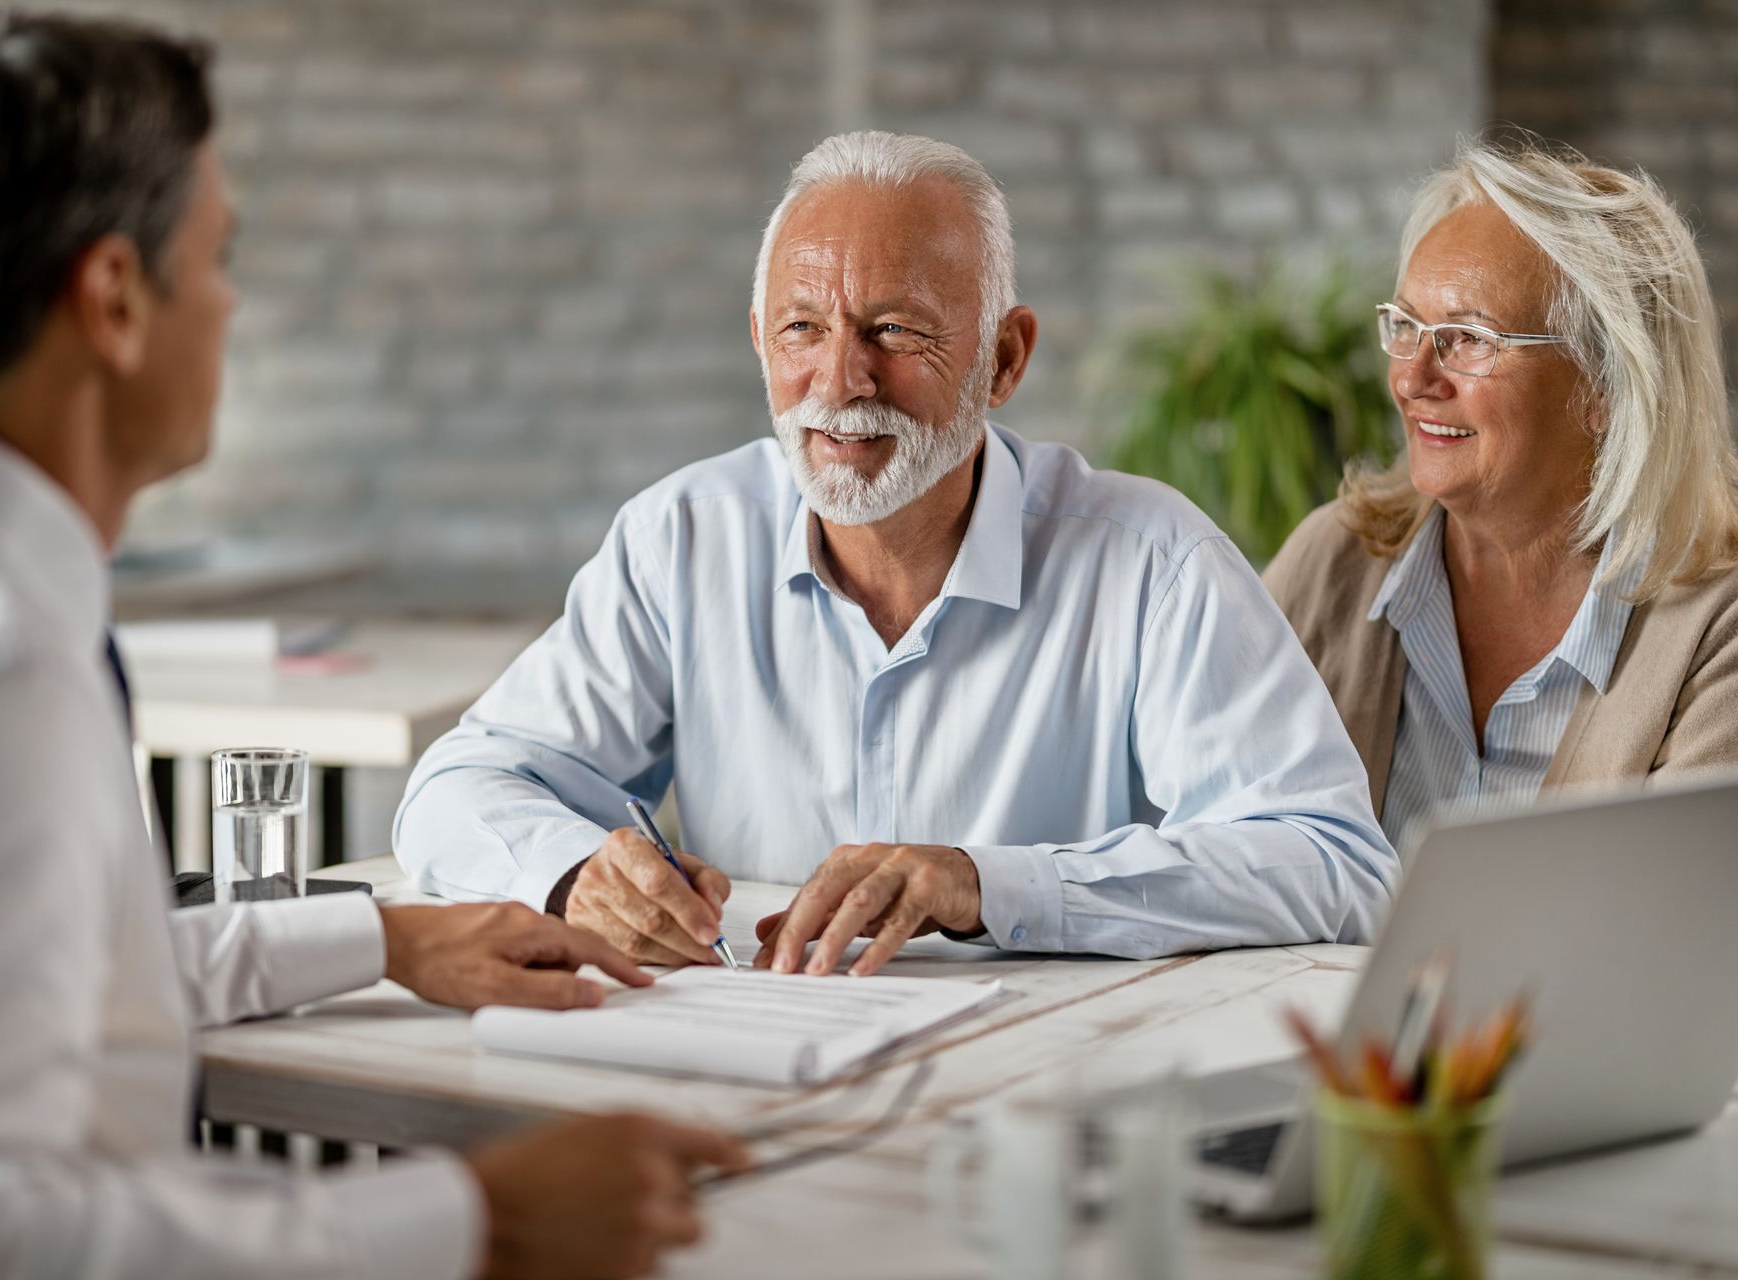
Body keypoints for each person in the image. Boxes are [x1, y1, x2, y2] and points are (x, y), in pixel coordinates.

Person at [0, 11, 742, 1280]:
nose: (234, 303)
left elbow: (39, 989)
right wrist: (477, 1224)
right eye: (219, 258)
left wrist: (388, 937)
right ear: (116, 299)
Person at [394, 130, 1397, 976]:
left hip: (1045, 1097)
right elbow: (455, 790)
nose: (841, 377)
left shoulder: (1151, 561)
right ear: (758, 341)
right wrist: (575, 874)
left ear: (1003, 358)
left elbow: (1331, 860)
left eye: (895, 329)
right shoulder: (682, 539)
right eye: (801, 328)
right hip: (746, 1089)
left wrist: (986, 881)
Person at [1265, 139, 1738, 854]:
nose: (1413, 377)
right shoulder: (1334, 561)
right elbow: (1221, 837)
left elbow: (1680, 932)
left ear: (1608, 385)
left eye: (1469, 338)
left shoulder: (1715, 628)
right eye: (1407, 326)